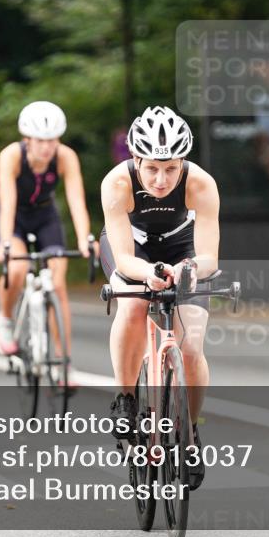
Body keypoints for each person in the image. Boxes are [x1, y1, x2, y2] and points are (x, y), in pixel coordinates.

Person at [99, 105, 220, 490]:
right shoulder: (117, 183)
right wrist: (148, 274)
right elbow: (122, 259)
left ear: (183, 161)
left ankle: (189, 434)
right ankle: (125, 398)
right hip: (133, 252)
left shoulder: (201, 183)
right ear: (136, 159)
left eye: (171, 168)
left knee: (192, 341)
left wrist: (188, 271)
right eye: (151, 168)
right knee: (133, 305)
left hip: (183, 249)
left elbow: (209, 257)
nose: (161, 178)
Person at [0, 101, 93, 385]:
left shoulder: (65, 157)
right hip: (14, 217)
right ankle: (6, 321)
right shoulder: (11, 156)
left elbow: (75, 200)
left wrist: (85, 239)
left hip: (46, 216)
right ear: (27, 139)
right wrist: (5, 244)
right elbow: (8, 201)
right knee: (17, 269)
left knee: (58, 285)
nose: (47, 147)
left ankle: (63, 363)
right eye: (40, 141)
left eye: (52, 140)